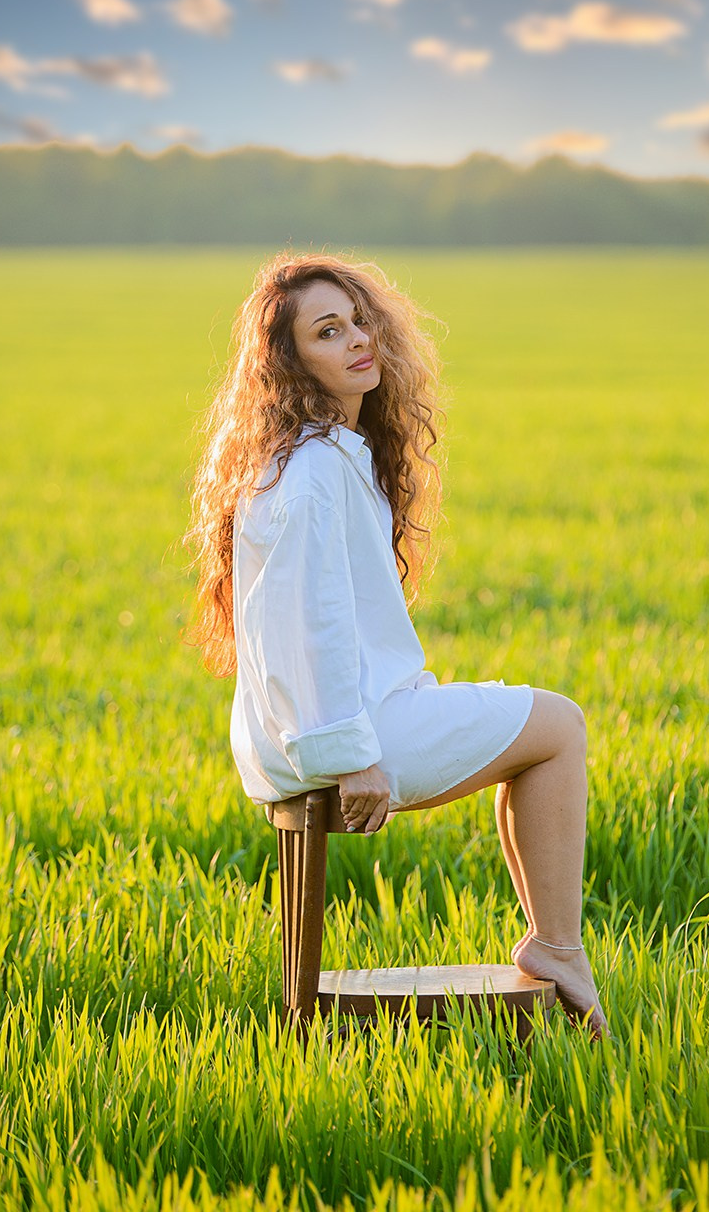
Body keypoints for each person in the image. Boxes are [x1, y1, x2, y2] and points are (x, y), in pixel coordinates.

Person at [186, 252, 608, 1038]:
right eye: (327, 330)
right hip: (338, 735)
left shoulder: (320, 458)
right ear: (291, 362)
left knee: (542, 728)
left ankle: (552, 948)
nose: (358, 339)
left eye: (358, 319)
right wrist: (350, 756)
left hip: (322, 725)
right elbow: (304, 624)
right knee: (558, 726)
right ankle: (555, 949)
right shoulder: (313, 471)